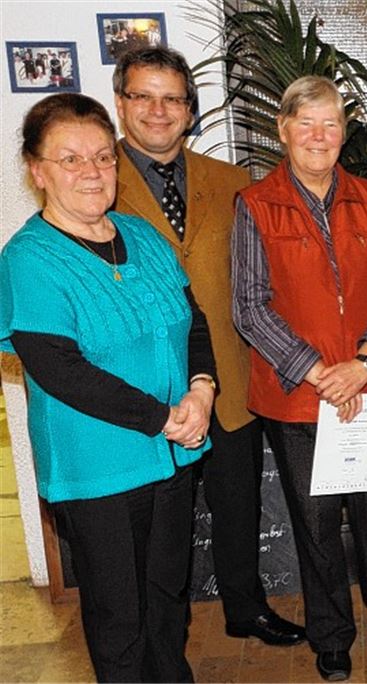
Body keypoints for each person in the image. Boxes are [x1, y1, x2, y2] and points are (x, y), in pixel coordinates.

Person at [0, 93, 215, 682]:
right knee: (119, 612)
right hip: (96, 469)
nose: (91, 172)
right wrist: (163, 416)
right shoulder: (28, 260)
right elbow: (59, 369)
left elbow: (191, 318)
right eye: (69, 160)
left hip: (171, 454)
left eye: (102, 156)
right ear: (37, 171)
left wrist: (202, 388)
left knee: (168, 596)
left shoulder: (141, 234)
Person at [110, 45, 305, 648]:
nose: (158, 111)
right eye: (143, 96)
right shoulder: (96, 179)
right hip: (143, 388)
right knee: (151, 522)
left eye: (172, 98)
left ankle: (245, 608)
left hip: (229, 377)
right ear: (121, 104)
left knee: (238, 506)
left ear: (191, 111)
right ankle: (154, 631)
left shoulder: (231, 181)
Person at [231, 75, 367, 682]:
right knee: (315, 525)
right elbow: (249, 306)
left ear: (344, 133)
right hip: (298, 399)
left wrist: (362, 362)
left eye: (331, 123)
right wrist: (319, 372)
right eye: (305, 123)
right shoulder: (255, 204)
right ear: (283, 130)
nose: (319, 136)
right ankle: (331, 636)